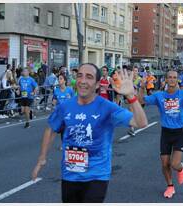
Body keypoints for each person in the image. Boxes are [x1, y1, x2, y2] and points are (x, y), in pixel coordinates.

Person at [31, 63, 148, 203]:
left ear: (98, 84)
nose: (83, 81)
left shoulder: (107, 107)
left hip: (97, 175)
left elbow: (141, 123)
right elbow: (51, 128)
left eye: (89, 77)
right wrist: (42, 158)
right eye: (80, 76)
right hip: (70, 174)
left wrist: (131, 96)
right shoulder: (65, 107)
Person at [138, 70, 183, 199]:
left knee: (174, 164)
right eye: (170, 77)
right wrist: (142, 86)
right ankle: (170, 186)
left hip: (179, 132)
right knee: (164, 164)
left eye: (175, 77)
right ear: (166, 80)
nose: (172, 80)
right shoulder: (159, 96)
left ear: (177, 79)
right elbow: (141, 100)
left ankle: (181, 169)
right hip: (166, 133)